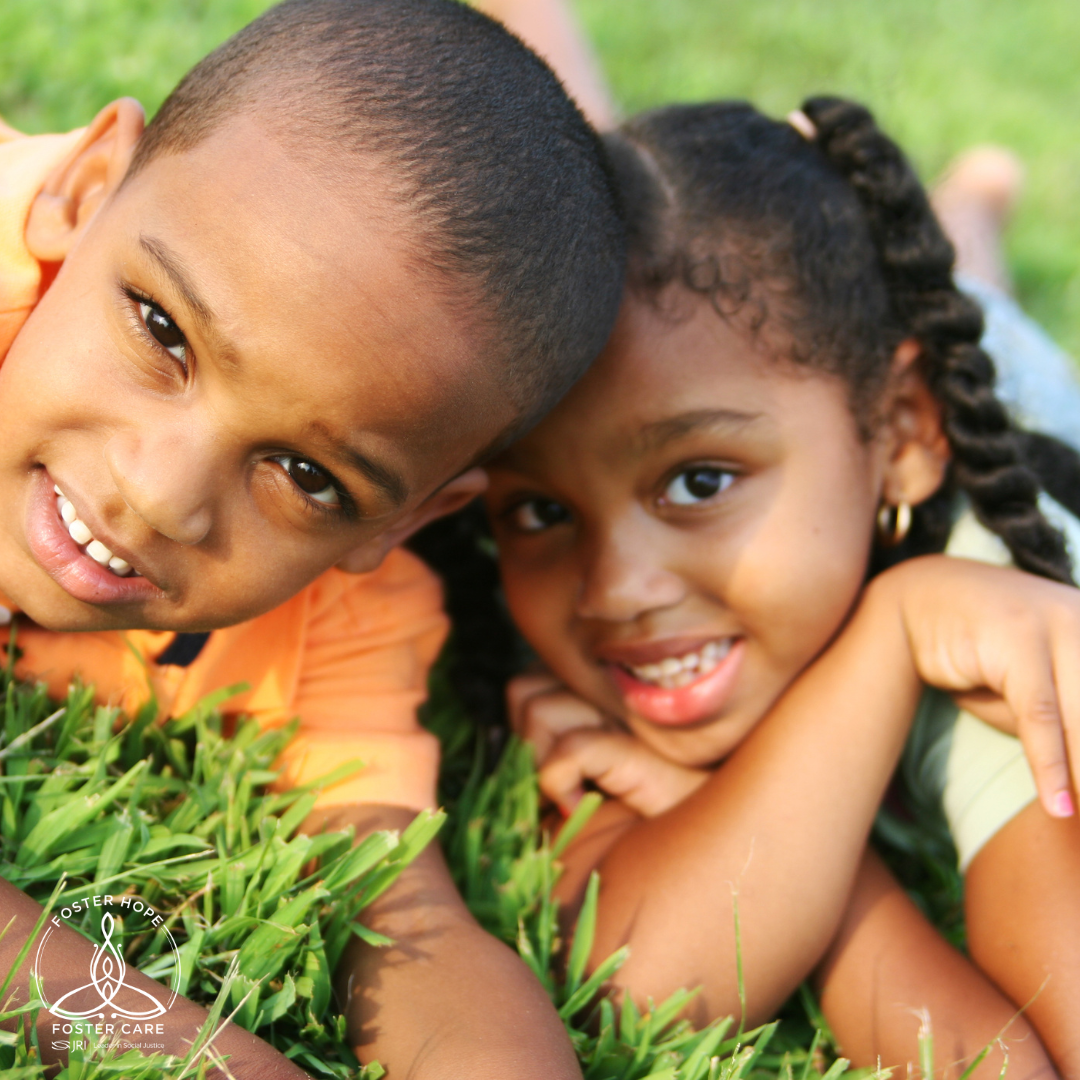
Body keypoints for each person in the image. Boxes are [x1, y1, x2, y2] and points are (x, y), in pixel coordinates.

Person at [0, 0, 626, 1076]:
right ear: (82, 193)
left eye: (303, 476)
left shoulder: (334, 619)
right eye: (162, 330)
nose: (159, 495)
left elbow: (408, 918)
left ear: (409, 517)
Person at [483, 96, 1080, 1078]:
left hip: (1010, 408)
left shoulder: (1006, 614)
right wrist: (830, 847)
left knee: (977, 298)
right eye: (539, 512)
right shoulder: (552, 622)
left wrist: (902, 621)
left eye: (699, 482)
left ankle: (973, 204)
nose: (615, 590)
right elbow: (642, 978)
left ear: (905, 429)